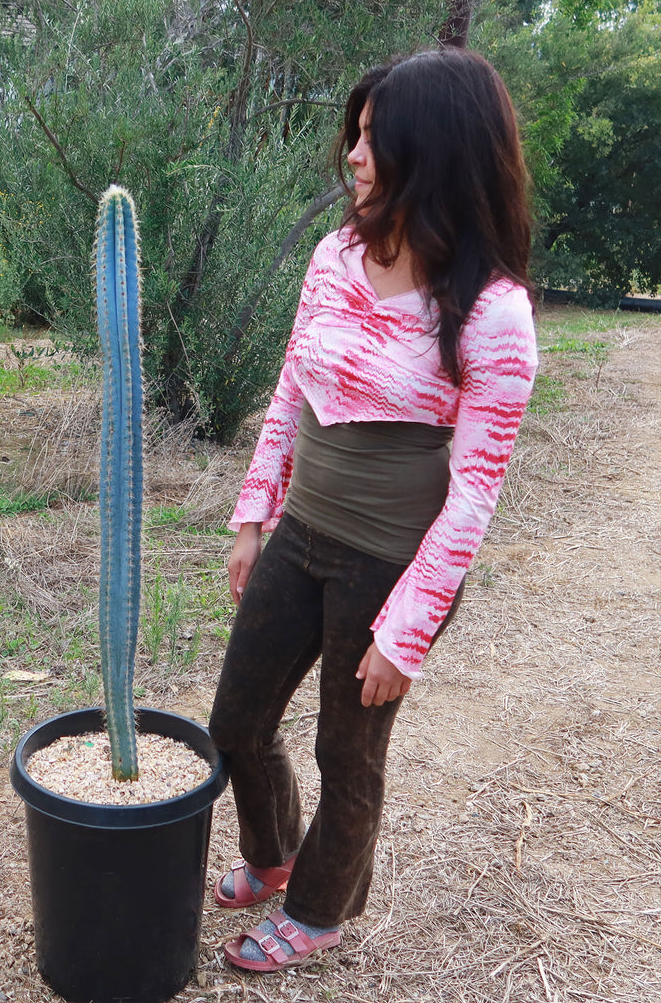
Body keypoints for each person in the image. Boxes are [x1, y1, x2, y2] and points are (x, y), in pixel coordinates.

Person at [208, 47, 539, 973]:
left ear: (433, 154)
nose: (353, 156)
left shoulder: (491, 312)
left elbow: (475, 491)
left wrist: (410, 628)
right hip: (302, 532)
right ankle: (273, 856)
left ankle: (317, 911)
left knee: (346, 757)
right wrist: (252, 515)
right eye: (353, 137)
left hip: (390, 564)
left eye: (373, 140)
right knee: (236, 720)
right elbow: (290, 387)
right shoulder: (337, 253)